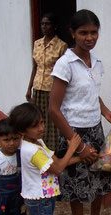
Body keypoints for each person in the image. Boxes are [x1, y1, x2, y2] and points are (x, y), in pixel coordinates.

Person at [49, 9, 111, 215]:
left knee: (100, 176)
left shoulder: (97, 61)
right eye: (83, 33)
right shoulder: (65, 64)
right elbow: (54, 109)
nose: (89, 38)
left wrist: (106, 111)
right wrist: (78, 146)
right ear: (72, 33)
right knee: (77, 184)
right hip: (74, 132)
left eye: (94, 32)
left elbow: (92, 92)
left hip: (95, 128)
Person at [9, 102, 81, 215]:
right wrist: (72, 148)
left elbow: (57, 162)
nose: (42, 128)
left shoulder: (38, 142)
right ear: (22, 130)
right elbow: (58, 169)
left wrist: (81, 158)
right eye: (35, 126)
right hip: (40, 200)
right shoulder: (33, 151)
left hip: (44, 196)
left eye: (42, 122)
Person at [26, 12, 68, 151]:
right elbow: (35, 66)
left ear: (55, 26)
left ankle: (52, 151)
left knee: (51, 122)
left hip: (52, 89)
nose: (44, 26)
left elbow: (64, 71)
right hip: (37, 88)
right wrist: (29, 87)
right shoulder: (37, 43)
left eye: (48, 23)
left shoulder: (61, 46)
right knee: (37, 119)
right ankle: (38, 148)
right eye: (42, 24)